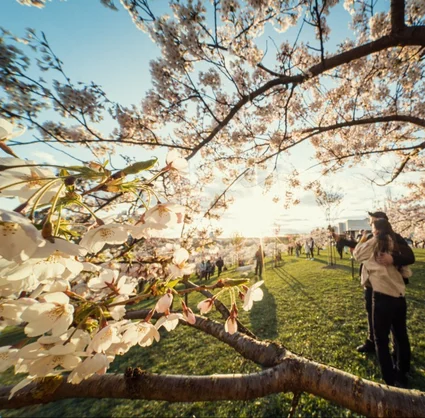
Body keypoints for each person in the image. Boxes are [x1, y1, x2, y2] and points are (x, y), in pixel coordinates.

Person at [334, 211, 415, 354]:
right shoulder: (371, 237)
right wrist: (341, 240)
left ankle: (397, 350)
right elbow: (357, 246)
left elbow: (410, 256)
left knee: (392, 321)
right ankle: (371, 342)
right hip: (370, 285)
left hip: (388, 286)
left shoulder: (395, 238)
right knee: (371, 316)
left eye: (372, 222)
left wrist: (393, 258)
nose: (370, 224)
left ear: (380, 221)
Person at [353, 218, 411, 387]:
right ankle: (403, 372)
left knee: (381, 340)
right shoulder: (394, 246)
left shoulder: (374, 244)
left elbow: (357, 254)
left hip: (382, 297)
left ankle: (389, 378)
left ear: (376, 230)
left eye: (372, 227)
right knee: (401, 336)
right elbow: (407, 271)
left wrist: (364, 238)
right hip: (399, 297)